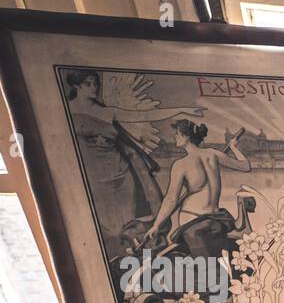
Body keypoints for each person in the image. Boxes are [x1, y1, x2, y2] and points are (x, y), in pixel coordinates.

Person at [64, 69, 201, 259]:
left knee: (127, 221)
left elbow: (145, 114)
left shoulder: (106, 112)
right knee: (105, 226)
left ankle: (136, 260)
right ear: (76, 86)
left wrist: (180, 110)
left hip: (122, 174)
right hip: (93, 177)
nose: (94, 87)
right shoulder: (64, 110)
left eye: (95, 83)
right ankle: (114, 261)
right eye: (88, 84)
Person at [146, 119, 251, 260]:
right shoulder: (213, 154)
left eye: (177, 134)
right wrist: (233, 147)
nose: (174, 137)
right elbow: (245, 166)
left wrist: (156, 225)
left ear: (186, 137)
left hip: (194, 222)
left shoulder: (180, 165)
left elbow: (171, 199)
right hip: (216, 219)